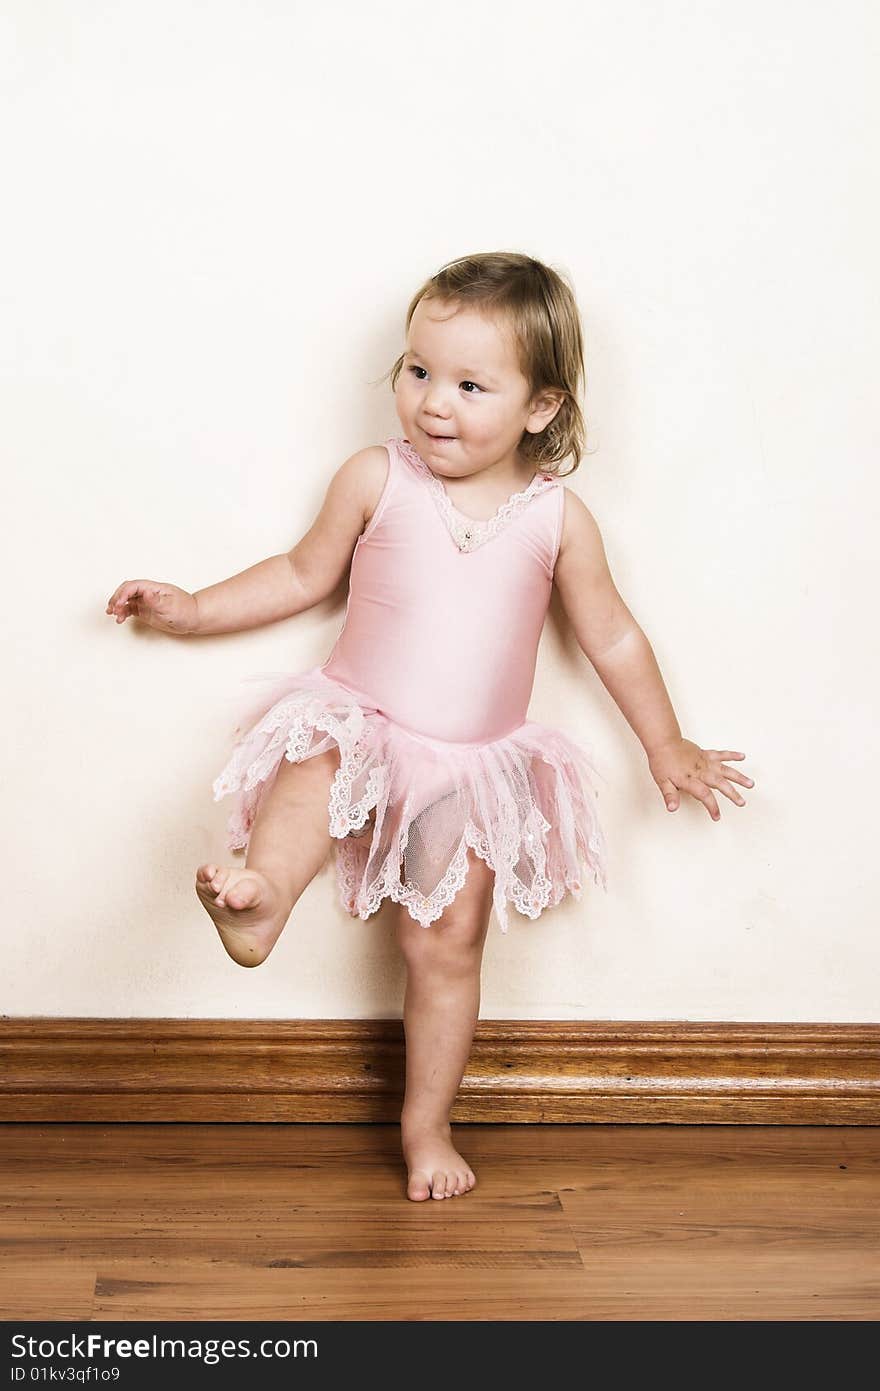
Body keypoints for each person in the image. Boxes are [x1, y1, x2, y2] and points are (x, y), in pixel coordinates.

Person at [105, 251, 754, 1202]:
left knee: (446, 946)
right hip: (361, 719)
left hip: (472, 768)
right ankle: (261, 899)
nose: (433, 403)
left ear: (542, 407)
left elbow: (611, 636)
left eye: (470, 384)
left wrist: (667, 742)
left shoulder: (557, 519)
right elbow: (299, 574)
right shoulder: (377, 478)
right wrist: (193, 607)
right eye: (417, 372)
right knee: (311, 762)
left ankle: (426, 1127)